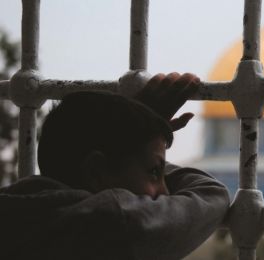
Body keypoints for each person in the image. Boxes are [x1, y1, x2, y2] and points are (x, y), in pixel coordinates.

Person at [0, 73, 230, 260]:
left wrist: (138, 134)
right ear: (96, 172)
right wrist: (142, 131)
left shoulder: (18, 212)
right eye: (153, 172)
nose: (166, 192)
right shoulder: (114, 221)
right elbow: (211, 193)